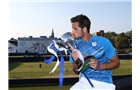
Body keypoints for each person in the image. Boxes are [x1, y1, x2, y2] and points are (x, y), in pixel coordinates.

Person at [69, 14, 120, 90]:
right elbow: (76, 71)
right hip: (84, 82)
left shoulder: (103, 42)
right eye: (72, 29)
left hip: (104, 83)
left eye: (75, 29)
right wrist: (77, 63)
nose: (72, 32)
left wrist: (99, 66)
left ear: (84, 29)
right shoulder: (74, 46)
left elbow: (117, 63)